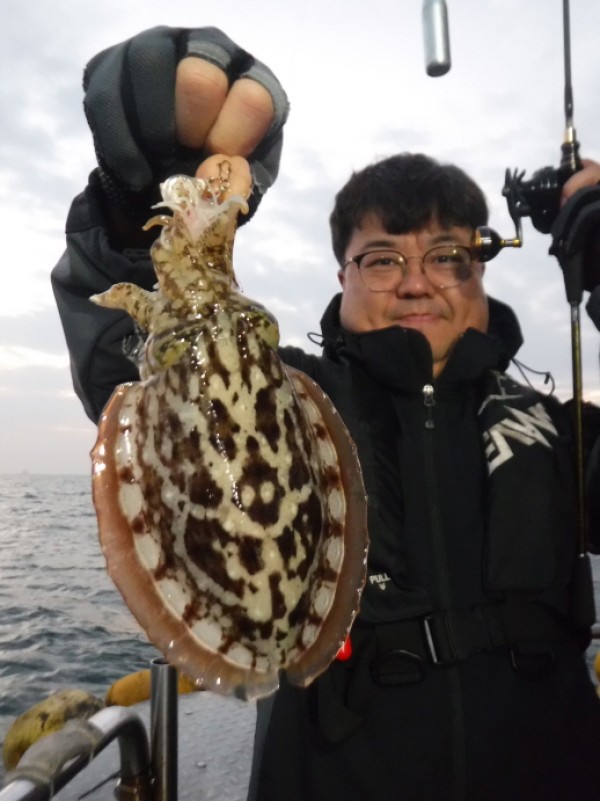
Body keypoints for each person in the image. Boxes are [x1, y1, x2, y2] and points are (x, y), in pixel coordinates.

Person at [51, 26, 600, 801]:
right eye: (383, 257)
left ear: (482, 270)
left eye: (448, 256)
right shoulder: (288, 385)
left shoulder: (562, 430)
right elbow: (136, 362)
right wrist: (140, 205)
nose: (416, 281)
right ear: (342, 276)